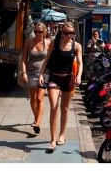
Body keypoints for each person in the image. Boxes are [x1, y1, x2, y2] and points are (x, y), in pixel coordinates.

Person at [38, 21, 83, 152]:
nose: (69, 35)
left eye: (71, 33)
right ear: (61, 32)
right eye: (66, 33)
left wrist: (79, 76)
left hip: (68, 78)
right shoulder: (55, 43)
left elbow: (80, 63)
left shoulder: (76, 46)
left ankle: (62, 135)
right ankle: (52, 140)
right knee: (54, 107)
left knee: (65, 108)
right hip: (54, 78)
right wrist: (41, 74)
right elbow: (46, 60)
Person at [21, 22, 51, 134]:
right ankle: (36, 117)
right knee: (33, 97)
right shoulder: (28, 42)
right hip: (30, 73)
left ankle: (37, 123)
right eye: (35, 31)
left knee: (40, 97)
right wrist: (23, 72)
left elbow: (51, 58)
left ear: (44, 32)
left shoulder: (48, 43)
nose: (37, 33)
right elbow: (24, 58)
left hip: (43, 73)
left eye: (40, 31)